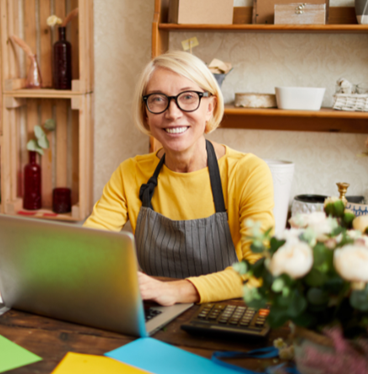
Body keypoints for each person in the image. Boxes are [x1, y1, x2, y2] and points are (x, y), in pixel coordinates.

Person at [83, 51, 274, 306]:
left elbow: (257, 271)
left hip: (224, 316)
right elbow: (88, 247)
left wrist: (173, 291)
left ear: (210, 107)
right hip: (154, 316)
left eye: (187, 97)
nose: (173, 113)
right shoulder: (130, 174)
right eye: (158, 100)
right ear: (146, 113)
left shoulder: (248, 172)